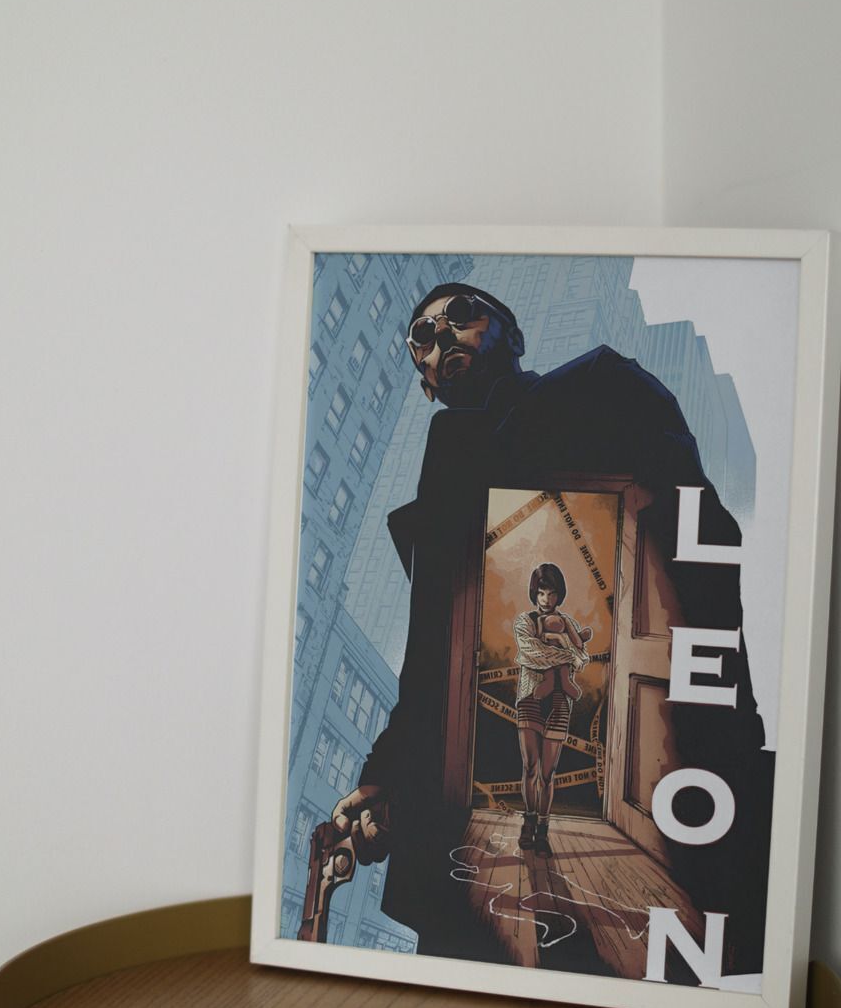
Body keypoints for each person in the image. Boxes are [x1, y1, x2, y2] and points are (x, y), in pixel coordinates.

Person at [330, 283, 771, 971]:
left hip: (641, 771)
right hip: (483, 819)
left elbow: (697, 538)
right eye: (423, 337)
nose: (441, 337)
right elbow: (429, 667)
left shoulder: (602, 386)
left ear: (512, 335)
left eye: (461, 317)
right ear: (423, 382)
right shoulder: (446, 474)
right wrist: (387, 773)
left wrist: (718, 728)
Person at [513, 563, 591, 856]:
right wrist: (566, 653)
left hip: (559, 702)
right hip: (530, 698)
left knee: (548, 772)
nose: (546, 599)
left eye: (552, 593)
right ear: (534, 593)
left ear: (560, 594)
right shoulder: (524, 621)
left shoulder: (567, 621)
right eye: (541, 593)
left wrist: (567, 651)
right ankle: (528, 822)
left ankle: (543, 830)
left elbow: (583, 658)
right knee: (530, 767)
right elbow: (530, 653)